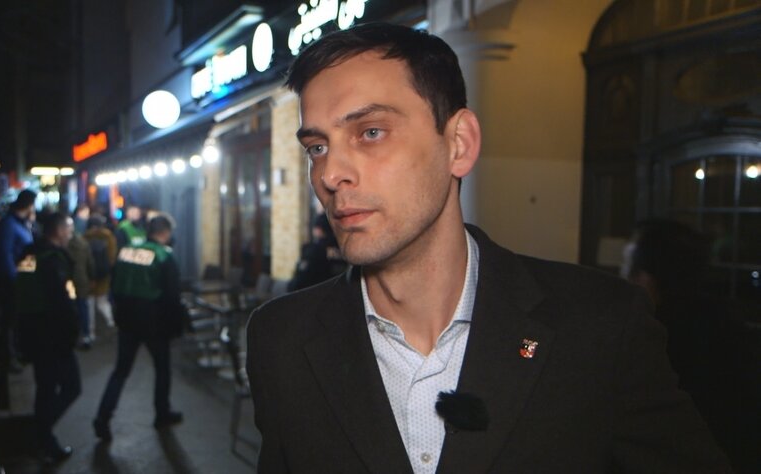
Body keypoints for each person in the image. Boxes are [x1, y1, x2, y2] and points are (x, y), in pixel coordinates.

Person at [245, 23, 731, 473]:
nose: (330, 174)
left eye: (371, 132)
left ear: (459, 143)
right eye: (317, 147)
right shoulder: (281, 340)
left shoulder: (600, 326)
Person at [627, 219, 760, 472]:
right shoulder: (724, 321)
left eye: (630, 264)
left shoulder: (653, 338)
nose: (625, 275)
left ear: (647, 277)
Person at [93, 215, 188, 440]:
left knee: (120, 371)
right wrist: (176, 327)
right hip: (155, 324)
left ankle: (102, 418)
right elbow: (172, 297)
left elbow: (115, 286)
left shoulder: (126, 252)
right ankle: (162, 413)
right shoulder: (164, 256)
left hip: (127, 321)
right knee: (162, 369)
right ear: (165, 233)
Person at [14, 212, 81, 463]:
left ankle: (44, 440)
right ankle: (39, 434)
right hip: (53, 334)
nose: (71, 234)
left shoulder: (28, 255)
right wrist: (73, 331)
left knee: (45, 388)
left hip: (30, 329)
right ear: (59, 230)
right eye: (69, 228)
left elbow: (20, 288)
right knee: (71, 386)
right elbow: (63, 300)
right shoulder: (54, 259)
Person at [0, 189, 36, 371]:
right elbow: (5, 255)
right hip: (13, 282)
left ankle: (18, 353)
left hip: (23, 280)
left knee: (18, 319)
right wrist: (14, 280)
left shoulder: (22, 224)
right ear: (28, 205)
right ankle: (8, 357)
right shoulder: (10, 225)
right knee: (9, 320)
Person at [288, 213, 346, 291]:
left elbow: (299, 282)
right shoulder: (345, 250)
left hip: (315, 295)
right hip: (340, 294)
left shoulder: (315, 250)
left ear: (318, 230)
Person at [83, 215, 117, 339]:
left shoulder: (84, 237)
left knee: (89, 303)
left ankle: (90, 331)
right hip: (104, 274)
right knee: (102, 301)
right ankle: (110, 321)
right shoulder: (108, 236)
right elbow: (112, 256)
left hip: (88, 275)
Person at [66, 215, 95, 349]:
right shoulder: (83, 243)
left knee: (71, 308)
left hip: (69, 283)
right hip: (82, 281)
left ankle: (73, 336)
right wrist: (92, 278)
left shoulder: (62, 245)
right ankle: (86, 335)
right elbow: (90, 263)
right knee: (83, 307)